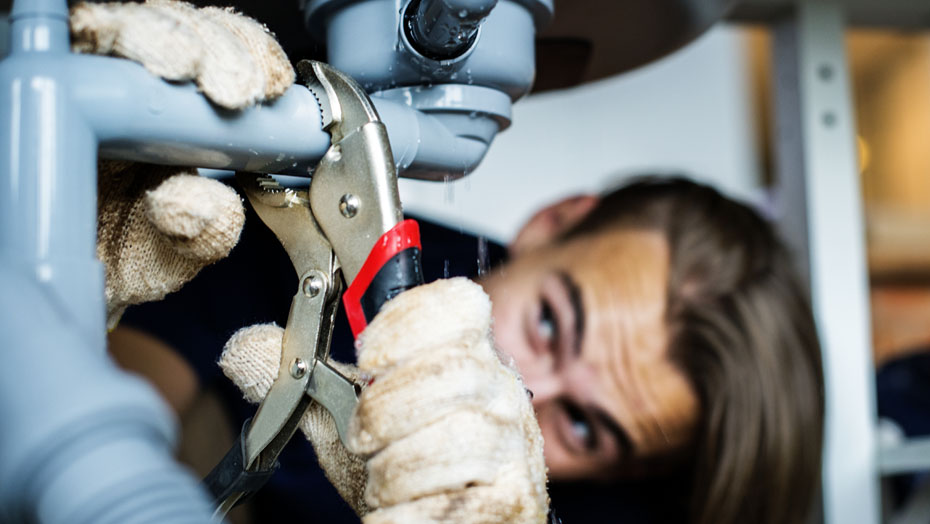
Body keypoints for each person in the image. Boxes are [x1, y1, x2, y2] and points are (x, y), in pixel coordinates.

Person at [114, 176, 825, 524]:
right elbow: (129, 389)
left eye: (584, 426)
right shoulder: (322, 240)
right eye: (549, 323)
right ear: (552, 225)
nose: (516, 391)